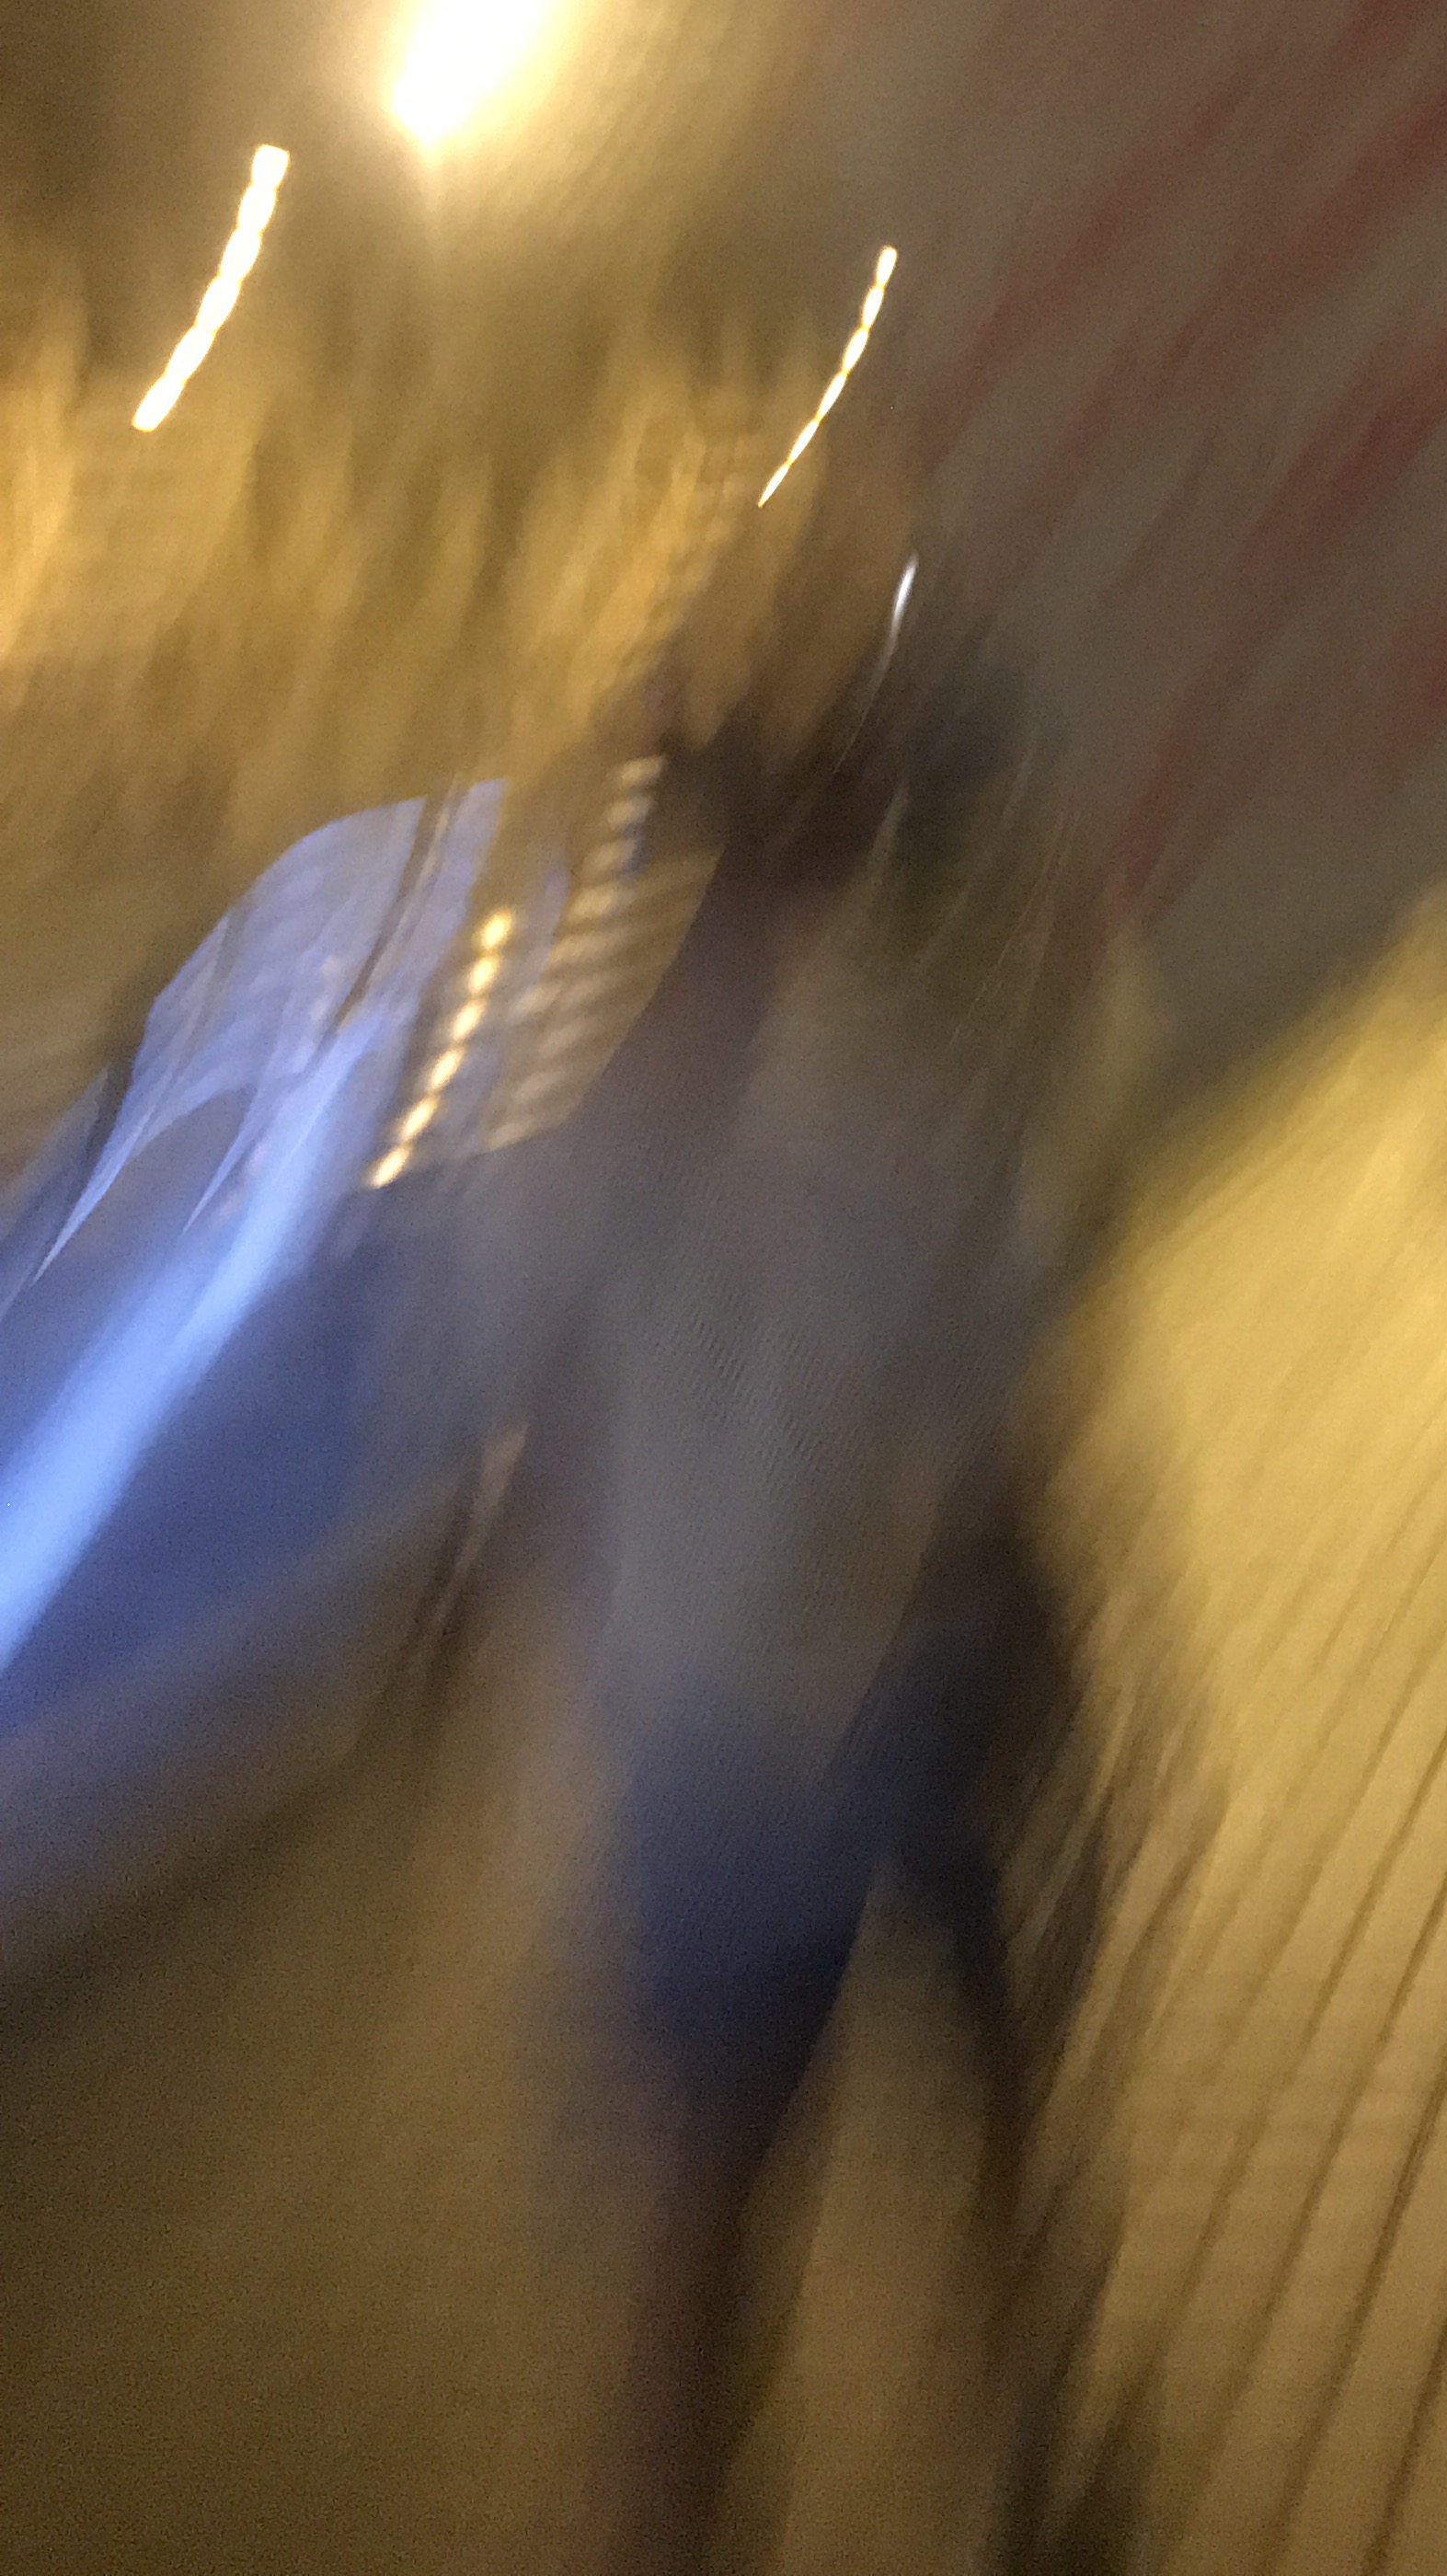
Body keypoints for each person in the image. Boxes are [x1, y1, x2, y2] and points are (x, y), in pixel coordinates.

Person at [455, 425, 1150, 2576]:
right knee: (996, 2085)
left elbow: (526, 1430)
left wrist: (579, 1676)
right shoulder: (923, 1060)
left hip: (691, 1726)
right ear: (836, 819)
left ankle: (682, 2535)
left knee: (702, 2231)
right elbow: (1001, 1398)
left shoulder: (552, 1094)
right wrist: (1069, 1636)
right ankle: (1033, 2441)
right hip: (911, 1670)